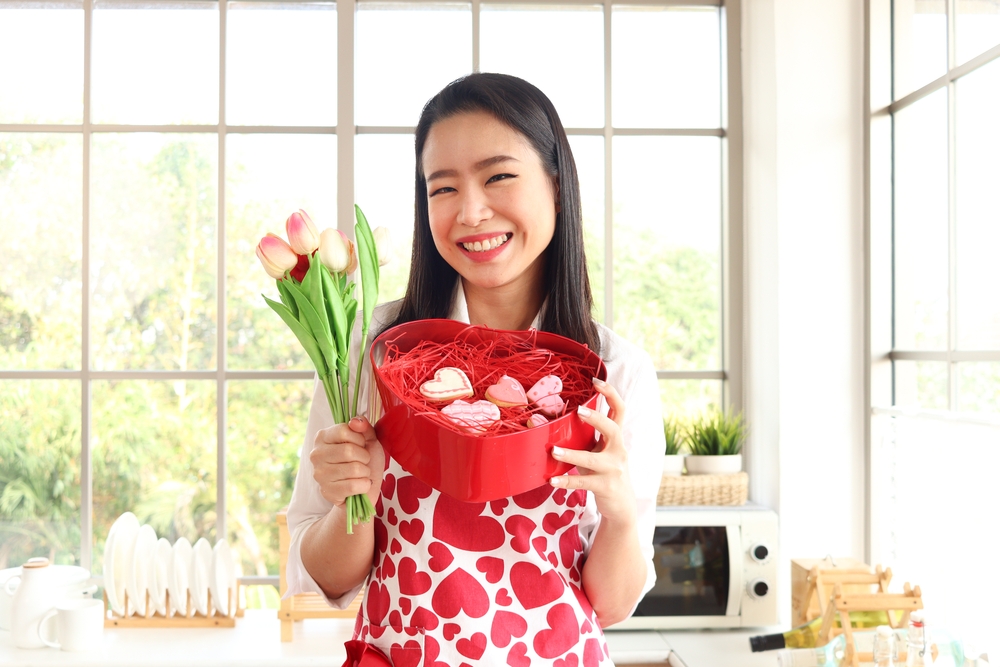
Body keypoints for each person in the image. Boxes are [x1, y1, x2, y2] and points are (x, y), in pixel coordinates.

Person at [285, 73, 665, 666]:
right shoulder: (371, 350)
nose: (471, 211)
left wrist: (618, 508)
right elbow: (325, 580)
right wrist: (348, 502)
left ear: (557, 187)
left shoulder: (617, 371)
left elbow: (611, 604)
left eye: (499, 176)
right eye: (442, 189)